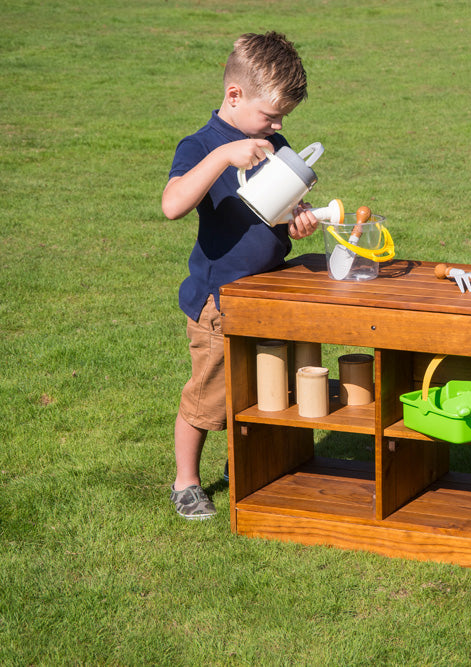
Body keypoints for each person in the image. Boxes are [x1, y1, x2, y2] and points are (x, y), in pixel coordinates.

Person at [161, 31, 319, 519]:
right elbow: (172, 205)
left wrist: (299, 217)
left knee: (263, 386)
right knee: (209, 397)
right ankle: (186, 481)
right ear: (235, 95)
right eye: (269, 116)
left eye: (282, 120)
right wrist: (224, 157)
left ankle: (242, 463)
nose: (275, 127)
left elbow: (274, 209)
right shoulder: (201, 145)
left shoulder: (273, 142)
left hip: (268, 288)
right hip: (219, 299)